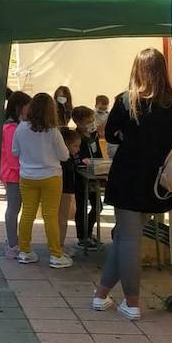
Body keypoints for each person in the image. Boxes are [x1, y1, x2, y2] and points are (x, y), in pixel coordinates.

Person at [93, 48, 172, 321]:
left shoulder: (126, 100)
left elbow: (110, 135)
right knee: (124, 239)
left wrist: (127, 133)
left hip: (128, 175)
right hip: (158, 179)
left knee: (127, 239)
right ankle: (100, 295)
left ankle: (132, 303)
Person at [13, 93, 73, 269]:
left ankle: (24, 251)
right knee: (50, 215)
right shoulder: (53, 132)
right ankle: (56, 254)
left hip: (27, 176)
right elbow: (64, 155)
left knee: (27, 213)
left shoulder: (21, 128)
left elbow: (15, 152)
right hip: (51, 176)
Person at [0, 92, 32, 258]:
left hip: (15, 172)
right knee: (13, 208)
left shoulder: (14, 125)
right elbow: (13, 157)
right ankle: (12, 244)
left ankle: (13, 241)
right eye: (28, 107)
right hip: (14, 174)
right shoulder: (11, 128)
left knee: (15, 208)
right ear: (20, 107)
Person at [70, 106, 105, 249]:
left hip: (95, 174)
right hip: (81, 177)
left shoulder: (94, 135)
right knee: (82, 207)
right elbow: (77, 157)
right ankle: (82, 236)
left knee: (98, 206)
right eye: (88, 121)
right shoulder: (76, 137)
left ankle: (89, 231)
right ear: (78, 123)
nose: (91, 124)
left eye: (93, 121)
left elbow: (97, 153)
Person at [56, 127, 84, 252]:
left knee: (61, 218)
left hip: (64, 189)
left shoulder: (69, 158)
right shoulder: (65, 159)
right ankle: (59, 245)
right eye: (76, 146)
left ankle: (59, 244)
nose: (78, 149)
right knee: (62, 218)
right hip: (64, 190)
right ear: (66, 144)